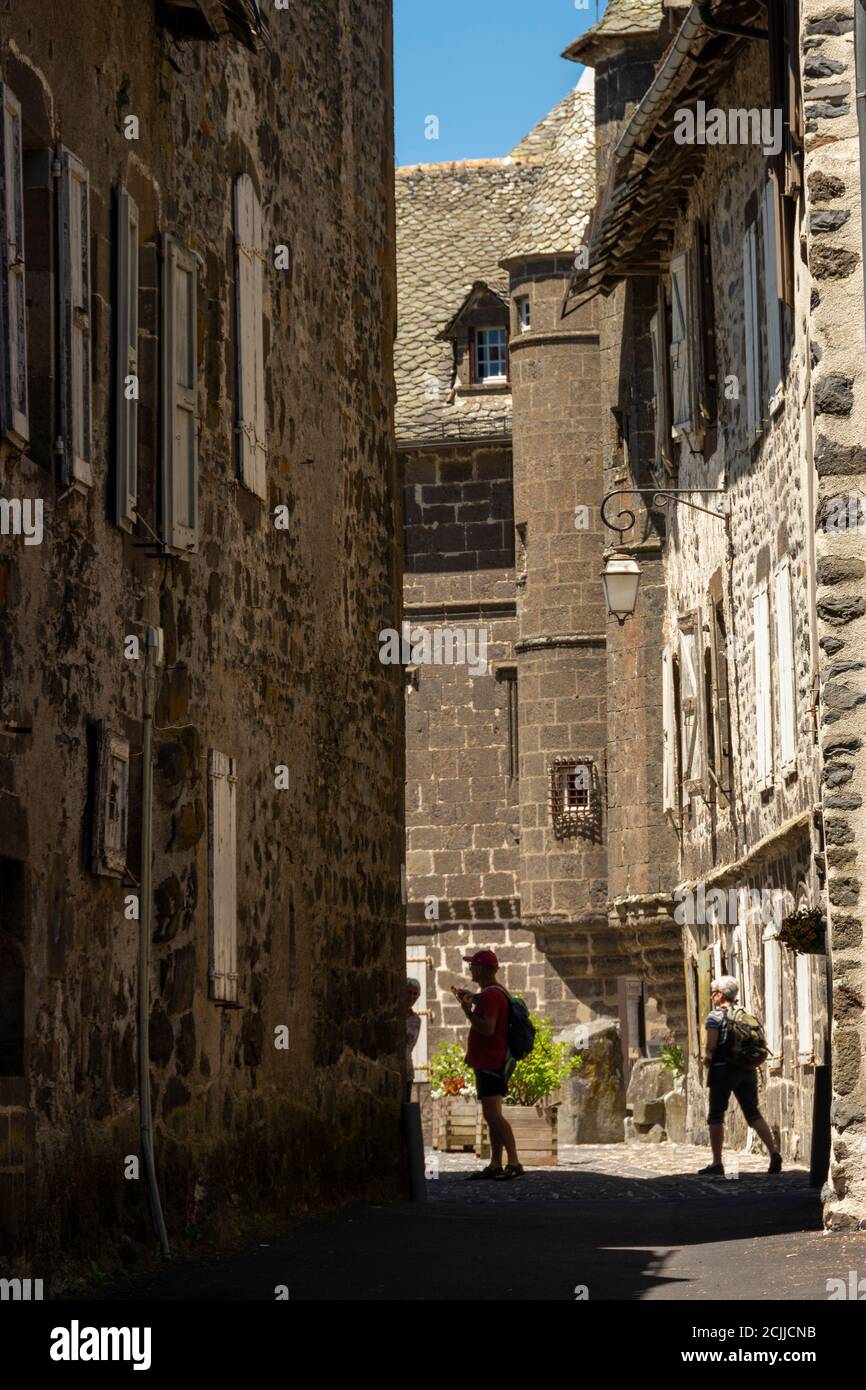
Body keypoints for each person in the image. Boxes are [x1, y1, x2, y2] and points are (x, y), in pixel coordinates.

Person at [698, 975, 783, 1177]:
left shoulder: (715, 1017)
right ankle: (774, 1152)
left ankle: (717, 1162)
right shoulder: (745, 1014)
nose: (712, 996)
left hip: (723, 1069)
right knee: (753, 1113)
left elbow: (711, 1047)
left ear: (720, 994)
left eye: (713, 992)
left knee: (716, 1115)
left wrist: (707, 1060)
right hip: (747, 1069)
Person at [453, 948, 524, 1181]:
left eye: (473, 965)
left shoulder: (491, 996)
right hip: (487, 1061)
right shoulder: (491, 993)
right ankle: (495, 1163)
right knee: (492, 1115)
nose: (470, 969)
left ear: (481, 969)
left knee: (493, 1115)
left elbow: (487, 1028)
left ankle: (513, 1162)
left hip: (491, 1063)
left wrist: (467, 1012)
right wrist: (473, 999)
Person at [405, 977, 422, 1102]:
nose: (411, 997)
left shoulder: (416, 1020)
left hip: (407, 1070)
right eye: (408, 992)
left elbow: (411, 1046)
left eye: (415, 994)